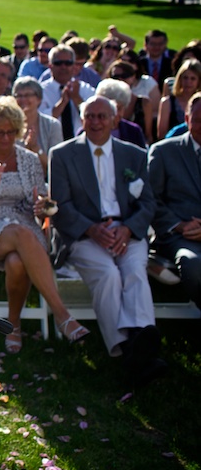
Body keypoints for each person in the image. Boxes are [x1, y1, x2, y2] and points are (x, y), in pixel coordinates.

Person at [49, 96, 166, 386]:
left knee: (135, 271)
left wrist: (127, 229)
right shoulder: (62, 155)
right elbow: (61, 205)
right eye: (90, 116)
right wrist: (92, 230)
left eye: (102, 116)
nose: (96, 122)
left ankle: (137, 340)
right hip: (85, 235)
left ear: (115, 120)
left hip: (127, 231)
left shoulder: (135, 155)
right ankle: (129, 348)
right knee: (108, 274)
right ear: (82, 119)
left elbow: (148, 203)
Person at [0, 96, 89, 352]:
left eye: (10, 132)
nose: (6, 138)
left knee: (17, 261)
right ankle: (62, 315)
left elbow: (42, 206)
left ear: (18, 131)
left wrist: (43, 207)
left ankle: (13, 324)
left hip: (25, 227)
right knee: (20, 232)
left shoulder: (28, 159)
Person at [148, 91, 201, 311]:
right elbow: (149, 199)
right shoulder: (164, 152)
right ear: (187, 119)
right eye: (198, 120)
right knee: (194, 265)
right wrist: (178, 225)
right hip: (179, 236)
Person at [13, 76, 63, 174]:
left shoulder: (53, 125)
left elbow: (56, 167)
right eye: (18, 96)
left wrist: (36, 148)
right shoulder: (8, 126)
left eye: (27, 95)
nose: (23, 99)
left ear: (39, 99)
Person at [96, 78, 146, 148]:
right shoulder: (89, 129)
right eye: (111, 108)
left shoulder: (134, 131)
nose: (115, 113)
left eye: (119, 108)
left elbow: (141, 157)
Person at [158, 59, 201, 136]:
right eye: (185, 78)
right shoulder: (167, 102)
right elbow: (161, 134)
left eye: (193, 78)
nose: (188, 82)